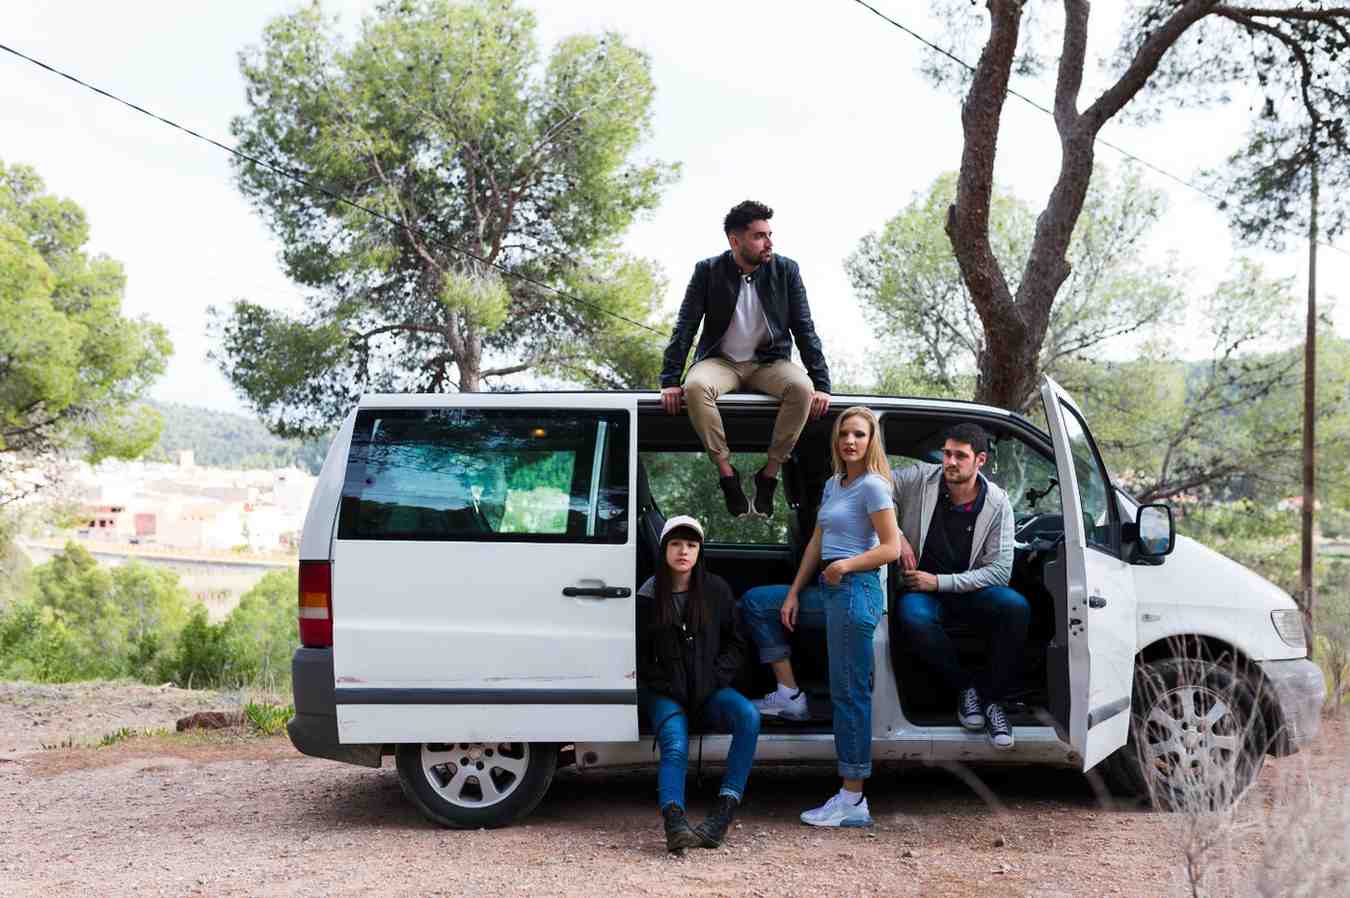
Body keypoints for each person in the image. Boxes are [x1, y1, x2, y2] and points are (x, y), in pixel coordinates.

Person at [740, 407, 902, 828]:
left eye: (860, 435)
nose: (851, 441)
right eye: (845, 434)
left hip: (856, 590)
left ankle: (852, 799)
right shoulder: (835, 484)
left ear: (871, 442)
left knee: (849, 694)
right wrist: (793, 593)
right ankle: (790, 694)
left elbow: (891, 549)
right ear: (837, 441)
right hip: (829, 589)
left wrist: (847, 566)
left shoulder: (873, 487)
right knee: (760, 602)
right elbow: (818, 540)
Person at [659, 200, 832, 518]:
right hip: (720, 362)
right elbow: (685, 327)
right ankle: (727, 474)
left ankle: (769, 474)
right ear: (734, 240)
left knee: (802, 389)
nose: (769, 243)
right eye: (759, 236)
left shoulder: (786, 270)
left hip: (769, 362)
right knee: (694, 387)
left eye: (770, 234)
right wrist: (670, 381)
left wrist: (822, 384)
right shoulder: (708, 271)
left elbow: (804, 327)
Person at [891, 422, 1030, 750]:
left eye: (960, 456)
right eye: (947, 454)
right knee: (912, 615)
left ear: (980, 460)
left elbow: (999, 572)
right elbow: (875, 486)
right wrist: (896, 536)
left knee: (1016, 607)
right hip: (921, 594)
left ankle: (993, 701)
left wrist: (939, 582)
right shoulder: (921, 478)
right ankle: (966, 688)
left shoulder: (998, 503)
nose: (949, 462)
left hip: (970, 592)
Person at [636, 514, 761, 853]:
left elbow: (736, 644)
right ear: (664, 549)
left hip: (710, 688)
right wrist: (667, 686)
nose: (683, 551)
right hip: (666, 692)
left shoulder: (716, 590)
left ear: (699, 551)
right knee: (675, 743)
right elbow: (640, 656)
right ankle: (675, 823)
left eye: (691, 545)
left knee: (748, 716)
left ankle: (723, 812)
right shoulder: (647, 597)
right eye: (676, 544)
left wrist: (716, 678)